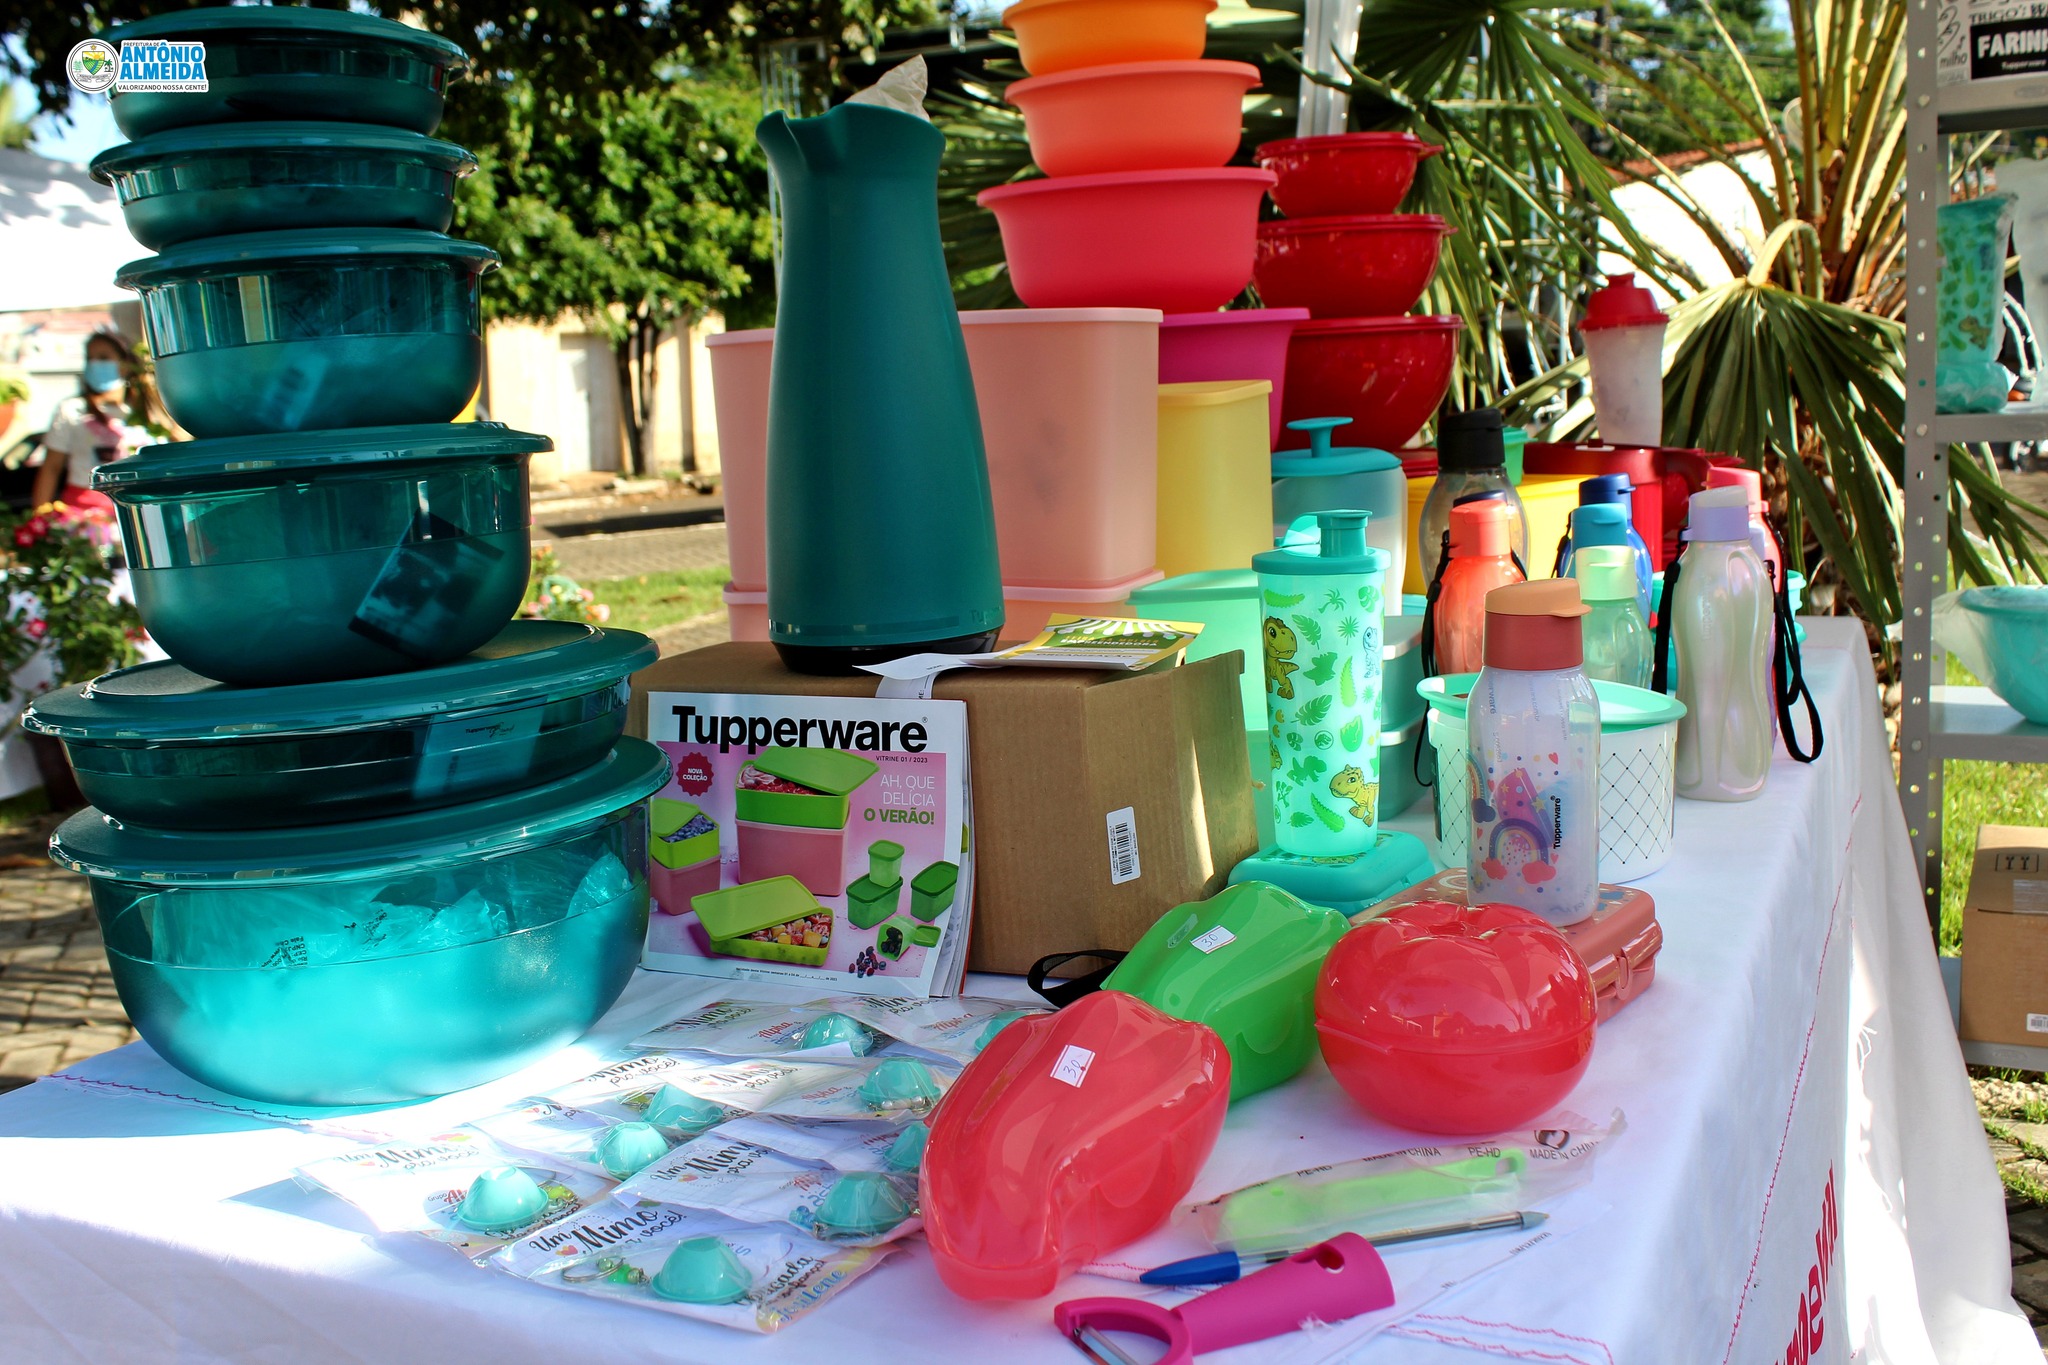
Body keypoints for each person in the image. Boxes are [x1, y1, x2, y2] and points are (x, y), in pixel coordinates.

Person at [31, 328, 168, 516]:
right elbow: (51, 467)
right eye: (90, 358)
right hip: (83, 515)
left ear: (126, 364)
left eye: (103, 358)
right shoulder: (72, 410)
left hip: (142, 510)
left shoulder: (148, 412)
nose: (95, 364)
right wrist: (40, 517)